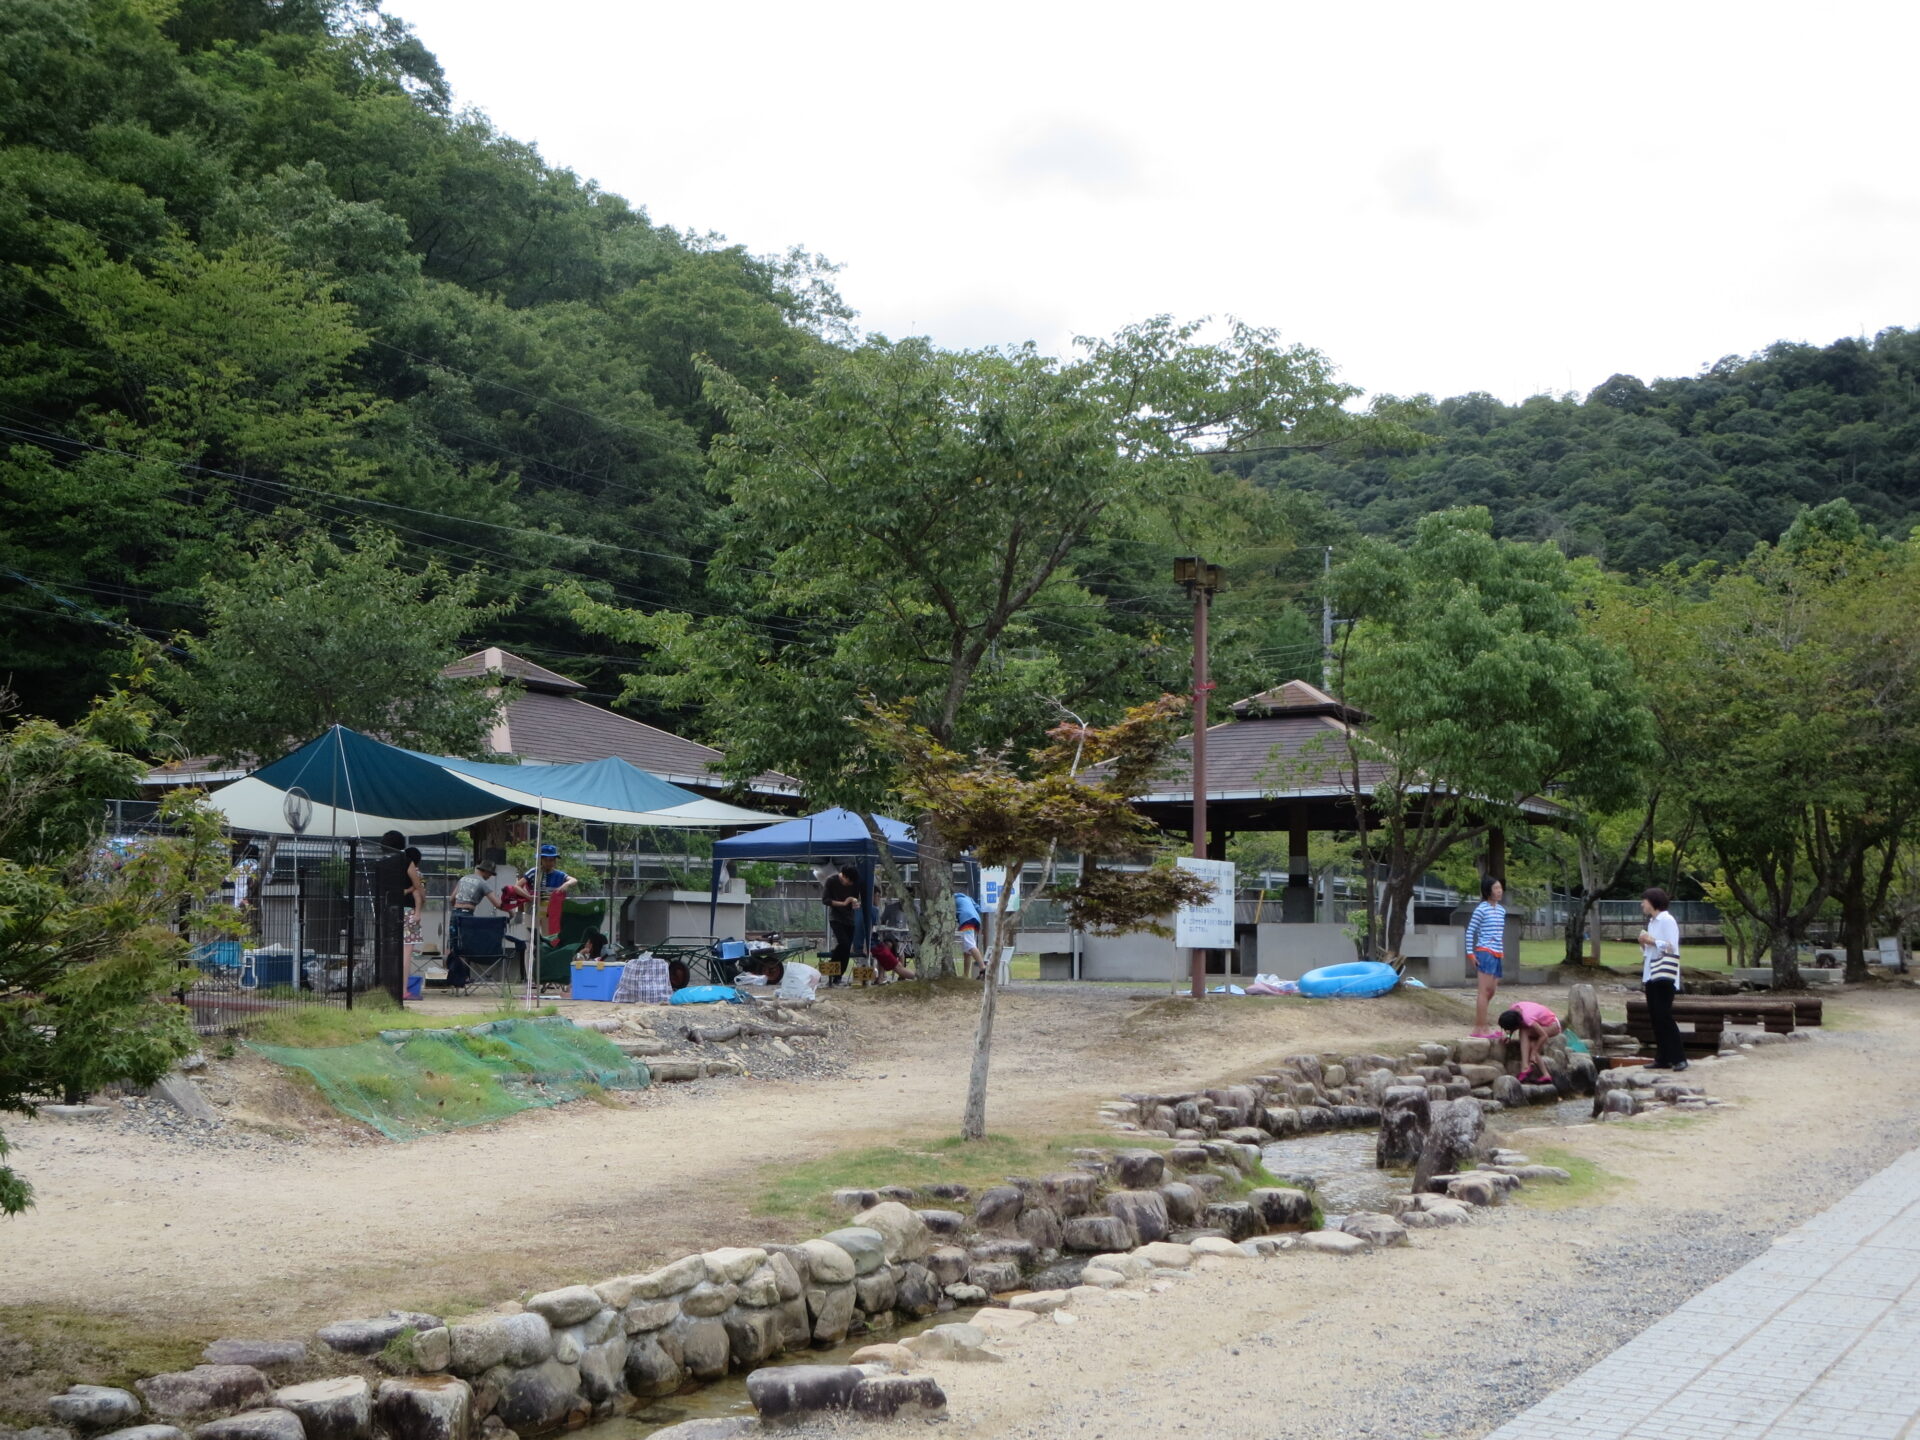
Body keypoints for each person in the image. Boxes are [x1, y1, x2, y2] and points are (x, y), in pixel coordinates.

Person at [1639, 886, 1687, 1071]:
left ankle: (1679, 1057)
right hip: (1651, 974)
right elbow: (1649, 952)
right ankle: (1663, 1057)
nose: (1642, 904)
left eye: (1644, 900)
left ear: (1653, 901)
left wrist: (1651, 941)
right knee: (1655, 1016)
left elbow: (1671, 947)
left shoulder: (1667, 920)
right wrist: (1643, 944)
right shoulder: (1652, 922)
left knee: (1664, 1015)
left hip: (1665, 975)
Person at [371, 830, 419, 1003]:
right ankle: (403, 990)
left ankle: (386, 988)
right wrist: (406, 891)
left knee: (389, 950)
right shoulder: (406, 861)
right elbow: (417, 885)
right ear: (401, 844)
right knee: (406, 951)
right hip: (406, 909)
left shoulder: (380, 864)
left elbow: (381, 888)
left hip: (387, 909)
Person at [1464, 875, 1506, 1040]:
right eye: (1496, 888)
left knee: (1492, 991)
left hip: (1497, 953)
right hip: (1484, 951)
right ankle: (1479, 1028)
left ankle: (1484, 1025)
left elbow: (1500, 933)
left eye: (1500, 888)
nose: (1499, 891)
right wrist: (1470, 953)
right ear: (1488, 891)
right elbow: (1470, 931)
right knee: (1484, 991)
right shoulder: (1481, 909)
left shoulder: (1502, 910)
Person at [524, 844, 578, 944]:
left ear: (555, 860)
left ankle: (546, 958)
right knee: (530, 940)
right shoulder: (533, 872)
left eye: (551, 860)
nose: (548, 863)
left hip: (549, 912)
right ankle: (529, 960)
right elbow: (518, 886)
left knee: (549, 938)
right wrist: (528, 896)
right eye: (546, 860)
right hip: (532, 909)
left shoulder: (559, 874)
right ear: (540, 860)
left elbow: (574, 880)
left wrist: (567, 884)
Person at [1499, 1000, 1562, 1083]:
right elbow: (1513, 1026)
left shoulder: (1527, 1018)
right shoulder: (1513, 1011)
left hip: (1553, 1026)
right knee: (1531, 1044)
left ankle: (1525, 1067)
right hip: (1540, 1024)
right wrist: (1508, 1036)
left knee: (1524, 1031)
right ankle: (1546, 1075)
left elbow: (1543, 1036)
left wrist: (1533, 1053)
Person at [821, 862, 861, 981]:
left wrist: (855, 903)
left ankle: (838, 975)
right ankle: (832, 964)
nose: (850, 884)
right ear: (843, 876)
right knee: (843, 943)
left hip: (850, 918)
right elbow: (826, 900)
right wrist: (843, 903)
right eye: (849, 881)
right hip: (836, 918)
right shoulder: (831, 881)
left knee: (847, 947)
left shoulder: (855, 884)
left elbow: (856, 899)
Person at [758, 955, 824, 1003]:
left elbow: (807, 996)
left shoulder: (796, 978)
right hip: (813, 974)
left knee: (795, 990)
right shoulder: (791, 975)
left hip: (811, 975)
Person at [954, 890, 984, 977]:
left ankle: (983, 968)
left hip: (966, 920)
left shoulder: (952, 899)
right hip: (976, 920)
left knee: (970, 945)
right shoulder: (968, 898)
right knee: (966, 950)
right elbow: (978, 908)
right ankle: (965, 974)